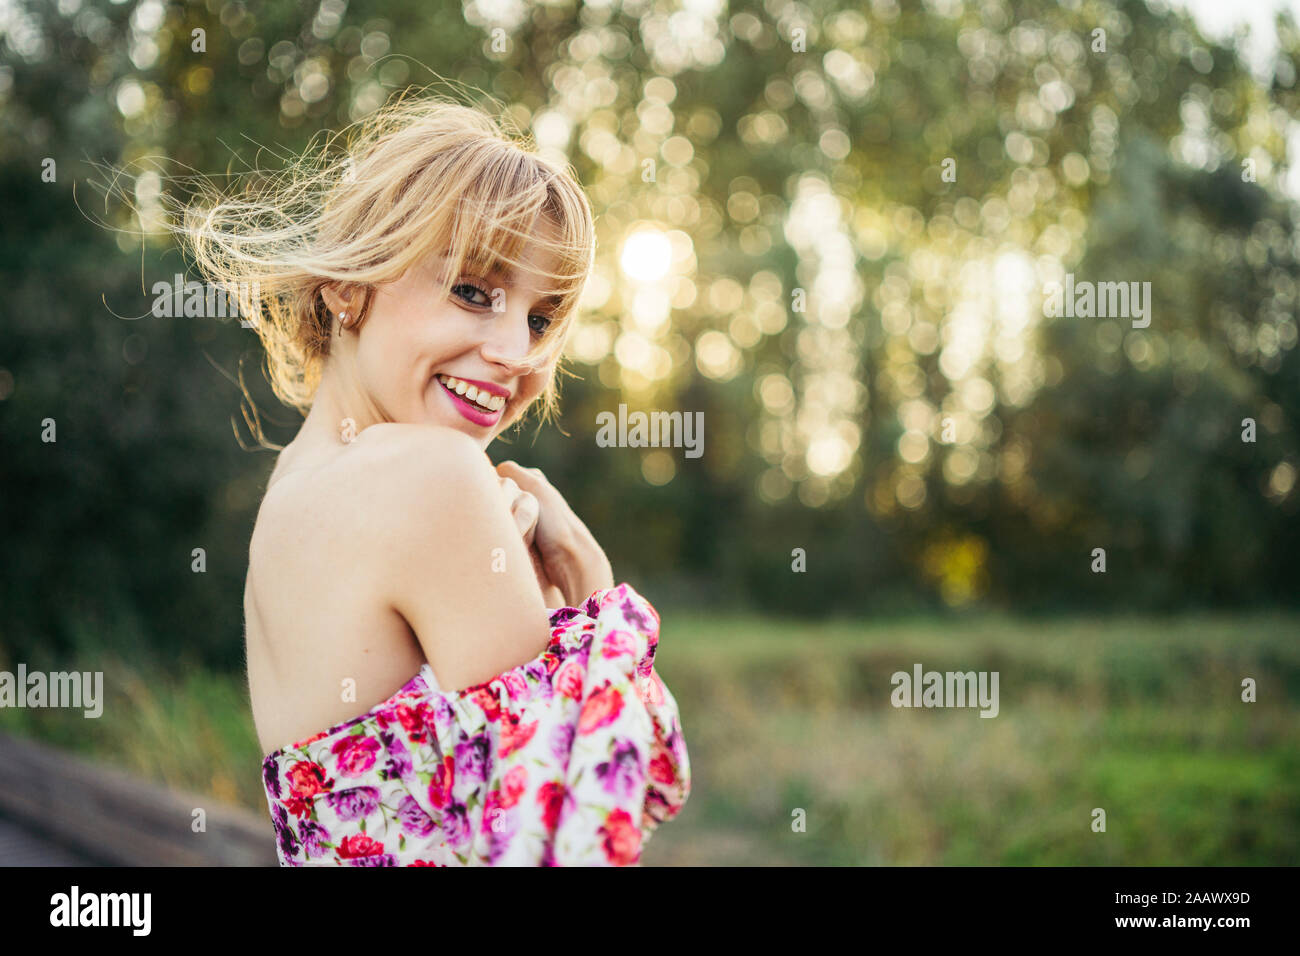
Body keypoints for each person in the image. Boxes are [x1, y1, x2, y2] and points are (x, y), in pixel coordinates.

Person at [176, 93, 691, 865]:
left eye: (541, 318)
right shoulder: (435, 473)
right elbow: (575, 824)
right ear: (349, 284)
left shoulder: (292, 490)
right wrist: (589, 588)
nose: (517, 350)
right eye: (474, 292)